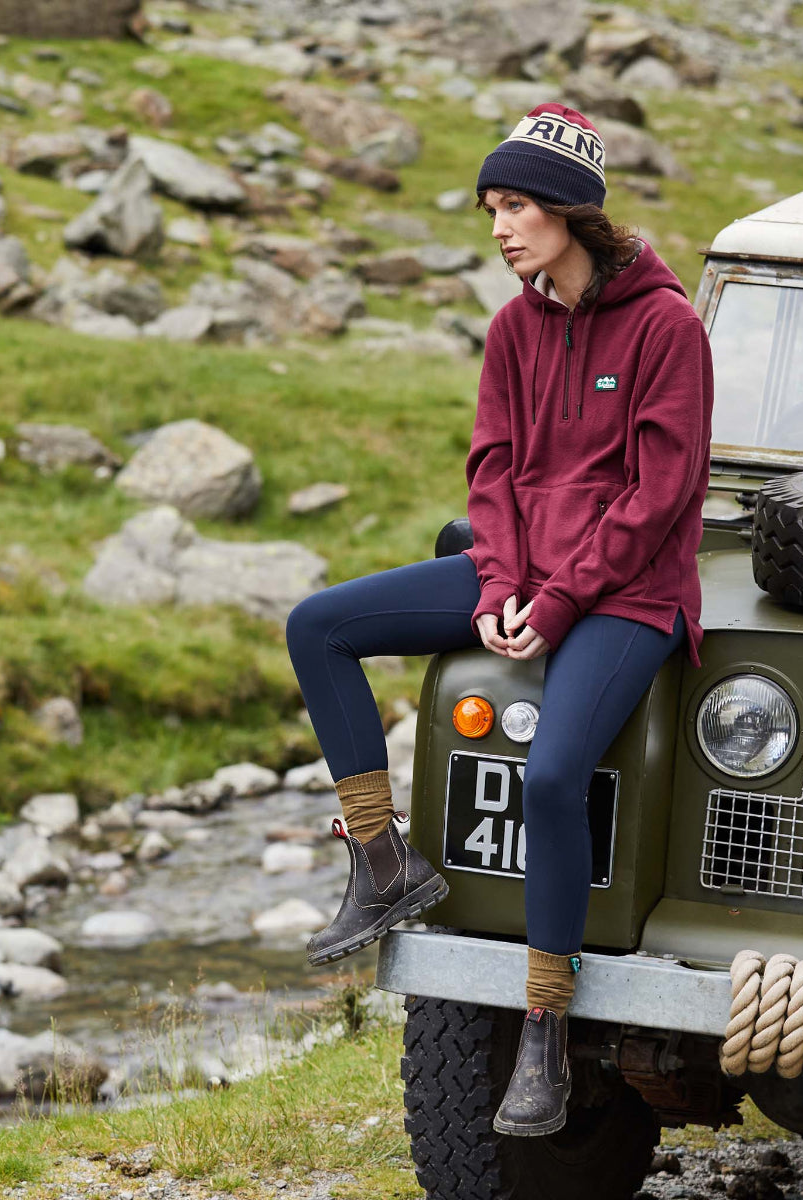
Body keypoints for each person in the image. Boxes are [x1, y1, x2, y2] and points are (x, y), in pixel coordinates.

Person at [285, 102, 714, 1136]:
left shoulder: (667, 328)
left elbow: (659, 496)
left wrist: (558, 598)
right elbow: (495, 470)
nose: (500, 228)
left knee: (556, 773)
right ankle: (385, 864)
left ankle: (543, 1031)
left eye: (515, 204)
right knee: (318, 625)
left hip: (630, 592)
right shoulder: (515, 326)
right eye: (491, 207)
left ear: (571, 208)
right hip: (520, 571)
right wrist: (498, 588)